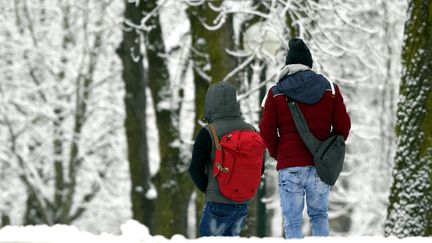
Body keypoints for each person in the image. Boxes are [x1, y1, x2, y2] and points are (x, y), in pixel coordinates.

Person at [259, 38, 351, 239]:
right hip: (319, 164)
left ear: (288, 65)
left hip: (290, 165)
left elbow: (266, 129)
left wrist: (279, 153)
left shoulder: (276, 93)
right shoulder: (331, 89)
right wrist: (328, 151)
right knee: (319, 216)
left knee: (292, 220)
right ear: (309, 64)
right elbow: (343, 126)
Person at [189, 81, 260, 237]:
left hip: (217, 203)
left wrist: (209, 189)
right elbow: (258, 167)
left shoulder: (208, 132)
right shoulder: (251, 130)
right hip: (242, 204)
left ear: (209, 103)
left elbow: (194, 169)